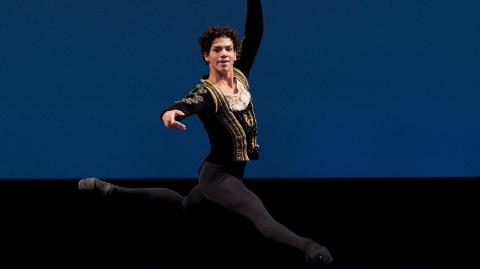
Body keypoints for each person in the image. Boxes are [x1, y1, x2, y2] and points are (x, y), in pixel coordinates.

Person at [78, 0, 333, 264]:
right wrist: (170, 112)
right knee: (258, 213)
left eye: (229, 49)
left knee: (184, 207)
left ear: (236, 54)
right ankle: (309, 248)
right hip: (219, 176)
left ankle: (111, 191)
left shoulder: (241, 75)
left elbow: (255, 33)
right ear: (206, 56)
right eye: (217, 49)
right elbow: (187, 103)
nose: (224, 54)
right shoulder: (206, 93)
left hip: (222, 171)